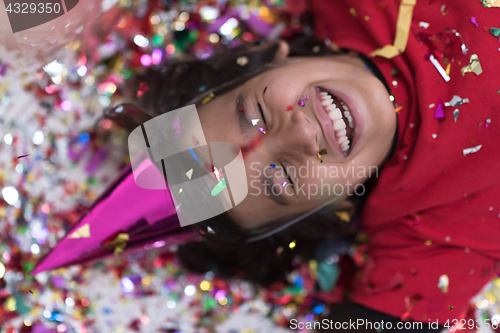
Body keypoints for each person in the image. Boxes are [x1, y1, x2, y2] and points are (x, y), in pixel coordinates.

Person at [33, 0, 500, 331]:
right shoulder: (428, 234)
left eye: (252, 113)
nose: (299, 134)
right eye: (283, 178)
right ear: (335, 207)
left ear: (272, 60)